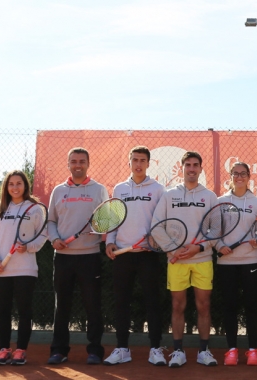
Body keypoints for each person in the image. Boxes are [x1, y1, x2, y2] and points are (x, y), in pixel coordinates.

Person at [152, 151, 219, 368]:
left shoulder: (209, 196)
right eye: (188, 165)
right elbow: (157, 226)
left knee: (204, 306)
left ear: (200, 169)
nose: (191, 168)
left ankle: (203, 351)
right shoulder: (169, 195)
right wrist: (174, 250)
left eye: (195, 165)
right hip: (177, 261)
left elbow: (216, 228)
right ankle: (178, 351)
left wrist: (198, 247)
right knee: (178, 305)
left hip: (203, 260)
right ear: (182, 168)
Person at [103, 146, 166, 366]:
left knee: (152, 302)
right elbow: (114, 218)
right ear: (129, 162)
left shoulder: (158, 189)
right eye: (135, 160)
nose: (138, 164)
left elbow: (162, 221)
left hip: (148, 255)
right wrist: (110, 241)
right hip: (122, 254)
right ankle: (122, 348)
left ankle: (155, 349)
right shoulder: (120, 189)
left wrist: (156, 240)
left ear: (148, 164)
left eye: (142, 160)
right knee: (121, 302)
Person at [47, 147, 109, 365]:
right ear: (68, 164)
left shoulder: (99, 190)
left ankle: (94, 351)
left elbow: (105, 221)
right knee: (61, 305)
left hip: (89, 256)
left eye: (82, 161)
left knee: (93, 305)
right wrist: (54, 239)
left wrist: (99, 231)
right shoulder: (58, 191)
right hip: (62, 256)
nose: (78, 165)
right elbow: (51, 221)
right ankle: (59, 350)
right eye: (73, 161)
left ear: (88, 163)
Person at [0, 171, 47, 365]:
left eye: (19, 183)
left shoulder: (34, 209)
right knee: (3, 311)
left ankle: (20, 350)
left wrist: (28, 247)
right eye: (11, 184)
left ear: (25, 185)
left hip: (26, 269)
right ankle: (4, 349)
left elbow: (43, 235)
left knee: (24, 311)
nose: (15, 187)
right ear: (6, 187)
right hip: (1, 270)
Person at [215, 162, 257, 366]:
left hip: (251, 260)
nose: (239, 177)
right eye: (235, 174)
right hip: (226, 262)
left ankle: (253, 351)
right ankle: (232, 350)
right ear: (230, 177)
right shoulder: (221, 202)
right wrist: (219, 246)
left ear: (249, 176)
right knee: (230, 306)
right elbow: (214, 232)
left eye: (243, 174)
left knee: (252, 306)